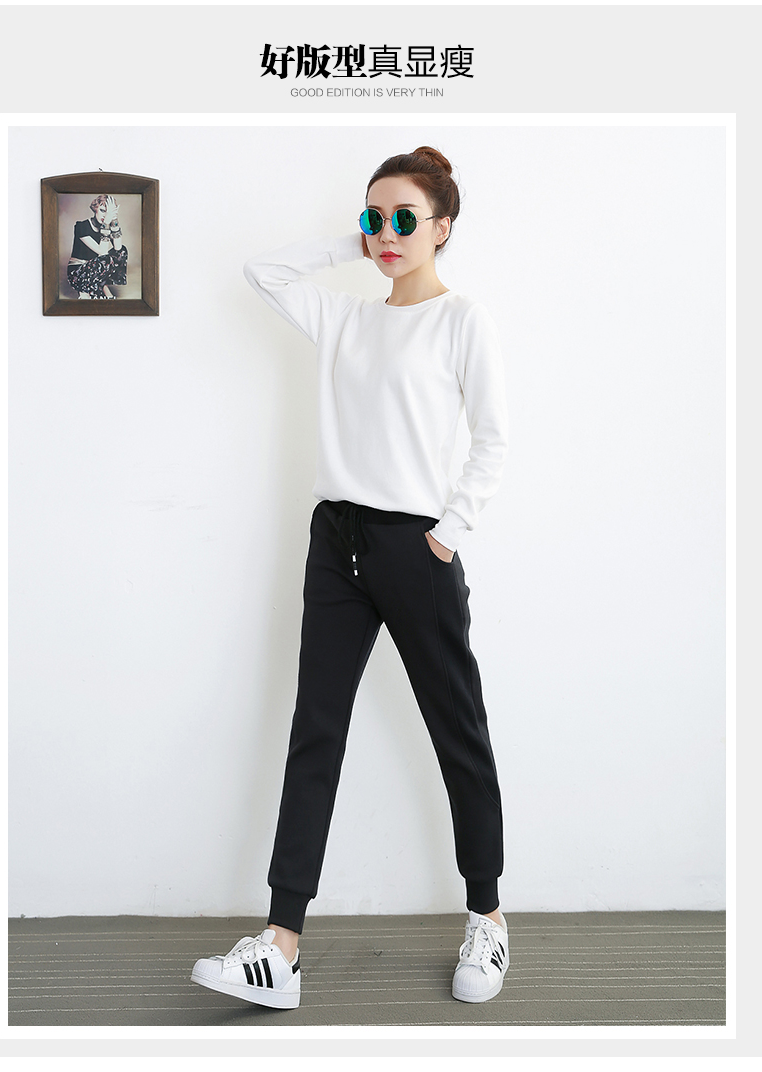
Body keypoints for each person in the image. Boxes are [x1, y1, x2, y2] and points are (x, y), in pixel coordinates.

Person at [191, 146, 510, 1011]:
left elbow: (493, 439)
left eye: (405, 219)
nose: (388, 233)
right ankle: (281, 945)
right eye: (376, 218)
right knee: (316, 731)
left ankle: (487, 915)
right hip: (336, 541)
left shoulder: (461, 320)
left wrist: (446, 535)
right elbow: (262, 273)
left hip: (415, 546)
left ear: (444, 227)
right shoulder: (344, 317)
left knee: (458, 731)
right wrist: (353, 242)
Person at [67, 194, 128, 299]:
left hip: (96, 270)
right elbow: (102, 251)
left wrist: (114, 219)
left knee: (122, 251)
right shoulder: (81, 226)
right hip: (77, 272)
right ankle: (87, 290)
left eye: (108, 212)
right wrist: (106, 222)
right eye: (102, 211)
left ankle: (101, 286)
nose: (105, 215)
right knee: (105, 258)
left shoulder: (107, 227)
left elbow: (118, 248)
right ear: (95, 209)